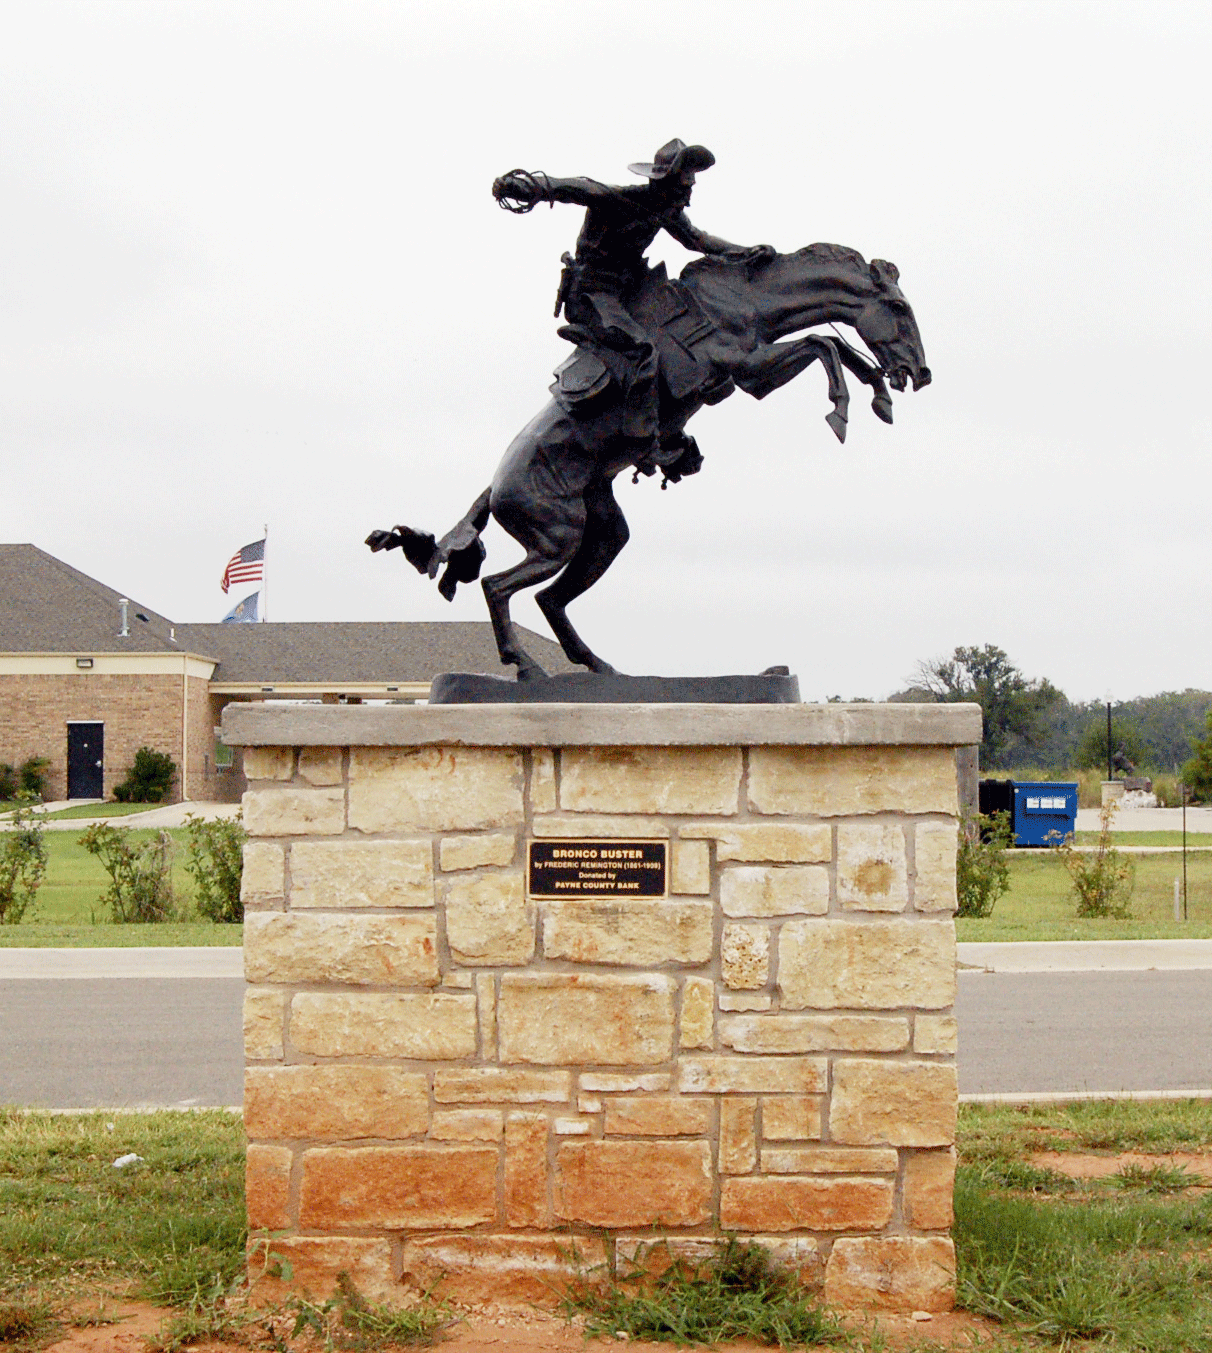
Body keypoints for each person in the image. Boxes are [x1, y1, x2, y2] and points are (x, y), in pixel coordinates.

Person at [493, 139, 773, 461]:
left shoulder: (664, 210)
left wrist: (745, 251)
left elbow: (698, 239)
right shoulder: (618, 199)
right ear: (665, 183)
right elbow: (578, 188)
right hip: (594, 294)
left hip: (631, 289)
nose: (690, 191)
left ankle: (671, 421)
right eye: (685, 184)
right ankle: (644, 439)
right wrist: (534, 187)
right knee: (643, 350)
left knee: (688, 324)